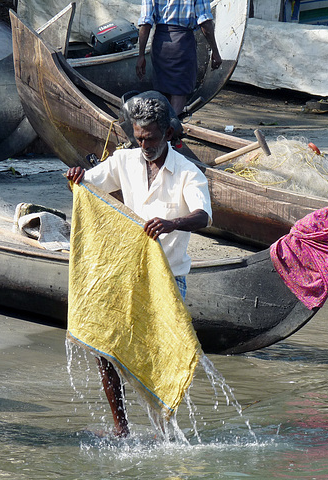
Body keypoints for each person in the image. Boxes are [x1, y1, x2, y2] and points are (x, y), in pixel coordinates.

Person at [66, 95, 212, 437]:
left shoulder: (187, 171)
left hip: (167, 277)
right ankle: (122, 429)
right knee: (107, 346)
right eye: (138, 136)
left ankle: (167, 431)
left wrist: (173, 223)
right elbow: (89, 184)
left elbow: (203, 216)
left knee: (158, 353)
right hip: (127, 272)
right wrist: (77, 177)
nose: (143, 143)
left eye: (149, 137)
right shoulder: (125, 160)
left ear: (166, 133)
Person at [135, 0, 222, 116]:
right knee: (179, 92)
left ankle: (162, 128)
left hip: (160, 44)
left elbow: (145, 23)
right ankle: (173, 126)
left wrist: (141, 55)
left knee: (162, 91)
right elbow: (205, 22)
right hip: (182, 44)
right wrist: (215, 51)